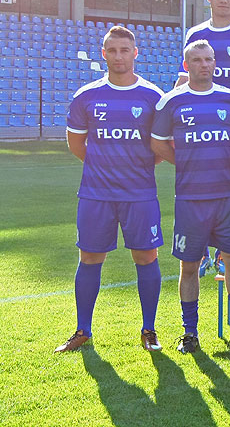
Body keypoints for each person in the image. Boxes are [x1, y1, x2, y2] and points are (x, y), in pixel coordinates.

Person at [56, 26, 166, 353]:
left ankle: (149, 330)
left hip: (139, 194)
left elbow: (160, 147)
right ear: (103, 54)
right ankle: (82, 330)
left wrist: (135, 167)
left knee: (146, 256)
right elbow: (77, 144)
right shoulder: (86, 96)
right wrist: (103, 166)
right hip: (96, 193)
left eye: (124, 50)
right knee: (90, 257)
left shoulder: (152, 97)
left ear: (135, 53)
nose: (119, 56)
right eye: (112, 50)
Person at [151, 40, 230, 353]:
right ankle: (190, 332)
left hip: (227, 196)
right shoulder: (171, 101)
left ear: (215, 63)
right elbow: (157, 143)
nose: (204, 65)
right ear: (186, 65)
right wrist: (184, 162)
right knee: (189, 266)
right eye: (197, 60)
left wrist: (228, 158)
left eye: (209, 59)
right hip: (190, 199)